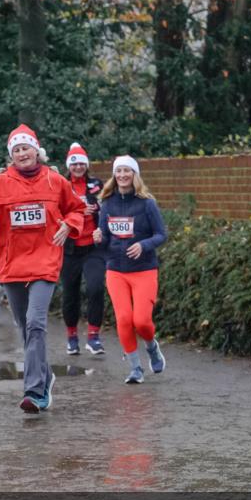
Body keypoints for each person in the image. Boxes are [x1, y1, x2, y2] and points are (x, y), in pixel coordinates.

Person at [0, 124, 85, 413]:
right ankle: (45, 375)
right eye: (15, 149)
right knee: (24, 326)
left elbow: (77, 209)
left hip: (45, 259)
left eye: (25, 147)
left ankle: (35, 391)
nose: (21, 153)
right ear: (11, 156)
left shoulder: (56, 181)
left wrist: (70, 224)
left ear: (36, 151)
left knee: (36, 322)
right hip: (12, 263)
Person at [92, 155, 167, 384]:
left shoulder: (147, 203)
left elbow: (161, 235)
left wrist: (143, 245)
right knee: (124, 319)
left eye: (127, 171)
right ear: (114, 176)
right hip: (116, 269)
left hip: (144, 269)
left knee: (142, 321)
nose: (122, 175)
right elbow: (104, 239)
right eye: (118, 171)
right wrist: (98, 238)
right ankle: (135, 369)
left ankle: (152, 347)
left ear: (135, 175)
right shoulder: (107, 204)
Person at [61, 142, 107, 355]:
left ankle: (93, 336)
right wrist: (78, 211)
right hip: (69, 248)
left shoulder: (97, 184)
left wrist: (96, 207)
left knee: (96, 288)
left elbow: (107, 206)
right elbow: (55, 211)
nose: (78, 167)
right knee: (71, 293)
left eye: (81, 163)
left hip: (93, 246)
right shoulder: (61, 185)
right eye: (74, 164)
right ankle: (71, 336)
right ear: (69, 166)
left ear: (86, 165)